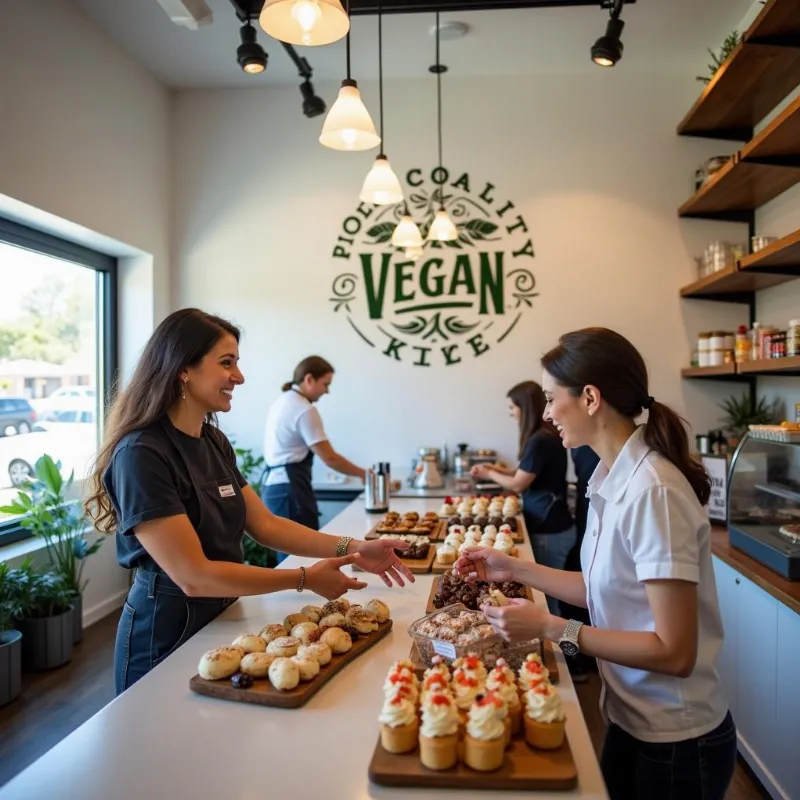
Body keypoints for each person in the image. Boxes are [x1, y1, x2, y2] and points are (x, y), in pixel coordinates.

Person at [455, 328, 735, 800]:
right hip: (629, 718)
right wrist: (514, 568)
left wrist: (551, 628)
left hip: (676, 740)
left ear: (589, 398)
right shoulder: (610, 477)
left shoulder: (654, 492)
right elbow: (605, 590)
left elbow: (675, 652)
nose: (544, 413)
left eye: (549, 398)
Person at [84, 309, 413, 694]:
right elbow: (194, 576)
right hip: (165, 628)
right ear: (183, 368)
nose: (239, 377)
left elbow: (266, 526)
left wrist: (355, 547)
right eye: (227, 363)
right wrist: (304, 579)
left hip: (225, 614)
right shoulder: (141, 454)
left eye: (237, 363)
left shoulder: (213, 441)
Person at [470, 381, 575, 615]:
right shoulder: (542, 436)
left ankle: (559, 644)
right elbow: (523, 471)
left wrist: (489, 473)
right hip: (551, 524)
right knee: (548, 591)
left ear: (525, 407)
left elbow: (518, 483)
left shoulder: (540, 439)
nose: (511, 413)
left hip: (551, 528)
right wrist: (495, 469)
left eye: (512, 407)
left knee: (550, 596)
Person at [261, 356, 365, 560]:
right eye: (325, 384)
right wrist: (364, 474)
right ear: (309, 379)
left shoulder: (283, 401)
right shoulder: (304, 409)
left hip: (275, 486)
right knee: (299, 555)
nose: (327, 391)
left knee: (289, 553)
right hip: (289, 491)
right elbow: (330, 458)